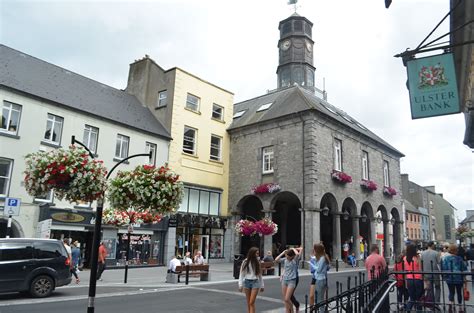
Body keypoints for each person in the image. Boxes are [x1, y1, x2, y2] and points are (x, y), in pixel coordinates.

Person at [441, 244, 467, 313]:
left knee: (451, 292)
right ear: (456, 250)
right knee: (459, 293)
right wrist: (464, 278)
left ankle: (451, 305)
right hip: (459, 278)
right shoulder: (459, 258)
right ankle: (460, 307)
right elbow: (464, 268)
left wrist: (445, 276)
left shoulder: (446, 259)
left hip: (450, 278)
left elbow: (444, 269)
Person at [276, 247, 303, 313]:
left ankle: (292, 310)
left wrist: (293, 249)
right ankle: (287, 311)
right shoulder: (285, 259)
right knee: (285, 299)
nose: (287, 257)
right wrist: (283, 252)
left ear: (292, 256)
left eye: (288, 256)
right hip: (284, 280)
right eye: (286, 256)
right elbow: (276, 259)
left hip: (292, 280)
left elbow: (297, 254)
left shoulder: (295, 260)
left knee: (287, 299)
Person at [238, 247, 264, 313]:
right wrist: (240, 285)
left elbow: (260, 274)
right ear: (252, 253)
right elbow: (241, 274)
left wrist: (262, 285)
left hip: (255, 282)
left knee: (251, 302)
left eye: (258, 253)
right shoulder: (245, 262)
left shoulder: (258, 262)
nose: (258, 255)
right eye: (257, 253)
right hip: (246, 282)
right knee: (248, 302)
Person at [309, 243, 330, 312]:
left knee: (319, 300)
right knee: (319, 298)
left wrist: (311, 263)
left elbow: (318, 270)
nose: (313, 251)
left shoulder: (322, 258)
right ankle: (321, 311)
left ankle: (322, 311)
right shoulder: (322, 257)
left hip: (320, 279)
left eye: (314, 249)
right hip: (320, 279)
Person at [404, 243, 423, 312]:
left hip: (409, 279)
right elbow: (420, 269)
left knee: (412, 298)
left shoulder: (405, 258)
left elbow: (405, 270)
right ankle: (419, 310)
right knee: (418, 298)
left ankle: (408, 310)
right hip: (418, 279)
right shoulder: (417, 258)